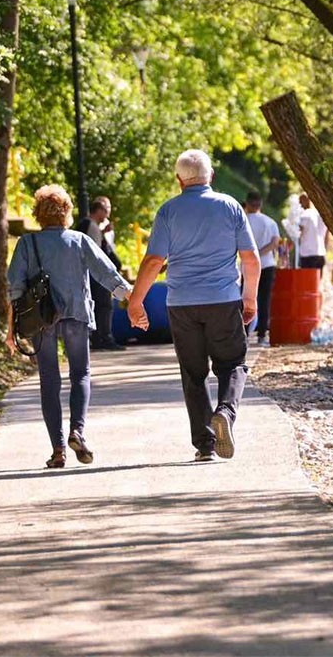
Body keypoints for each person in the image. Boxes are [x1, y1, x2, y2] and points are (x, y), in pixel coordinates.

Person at [127, 150, 260, 462]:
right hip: (223, 299)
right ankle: (225, 412)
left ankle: (205, 445)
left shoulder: (168, 211)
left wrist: (136, 302)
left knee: (193, 372)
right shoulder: (230, 207)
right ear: (210, 176)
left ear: (178, 180)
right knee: (232, 364)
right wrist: (250, 297)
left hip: (182, 303)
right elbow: (251, 259)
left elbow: (154, 261)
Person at [7, 185, 131, 469]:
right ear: (66, 212)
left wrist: (10, 330)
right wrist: (132, 299)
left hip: (41, 319)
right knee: (80, 374)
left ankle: (58, 450)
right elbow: (106, 273)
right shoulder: (79, 240)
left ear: (38, 214)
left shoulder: (27, 243)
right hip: (76, 314)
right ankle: (77, 430)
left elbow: (14, 289)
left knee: (49, 381)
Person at [75, 196, 125, 351]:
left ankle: (99, 339)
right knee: (104, 306)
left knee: (99, 306)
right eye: (107, 209)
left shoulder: (90, 226)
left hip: (90, 273)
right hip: (95, 274)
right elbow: (95, 253)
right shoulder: (92, 226)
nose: (108, 213)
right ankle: (104, 339)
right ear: (100, 210)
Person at [243, 191, 280, 346]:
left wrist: (251, 254)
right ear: (260, 204)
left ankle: (243, 334)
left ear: (247, 204)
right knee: (264, 300)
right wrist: (260, 253)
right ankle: (262, 335)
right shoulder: (270, 222)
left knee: (245, 299)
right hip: (267, 264)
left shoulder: (242, 221)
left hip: (247, 265)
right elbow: (275, 242)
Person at [297, 192, 328, 272]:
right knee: (316, 283)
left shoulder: (304, 215)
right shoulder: (321, 215)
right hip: (320, 253)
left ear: (306, 200)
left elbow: (298, 232)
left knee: (307, 282)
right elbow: (326, 235)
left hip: (307, 255)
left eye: (300, 202)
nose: (300, 205)